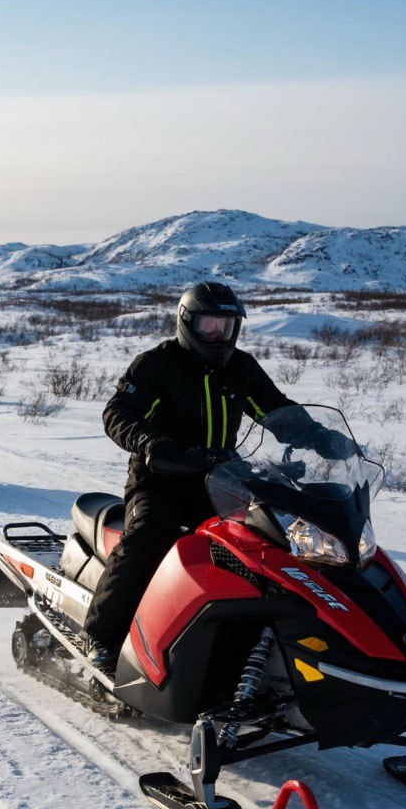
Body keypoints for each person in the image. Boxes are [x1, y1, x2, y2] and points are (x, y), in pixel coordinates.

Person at [82, 281, 296, 672]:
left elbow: (275, 408)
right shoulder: (157, 364)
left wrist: (317, 435)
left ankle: (257, 641)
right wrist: (150, 443)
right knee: (149, 535)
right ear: (187, 323)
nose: (219, 336)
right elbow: (118, 412)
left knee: (269, 545)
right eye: (210, 326)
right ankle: (101, 637)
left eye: (227, 327)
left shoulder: (241, 367)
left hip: (223, 484)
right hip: (160, 481)